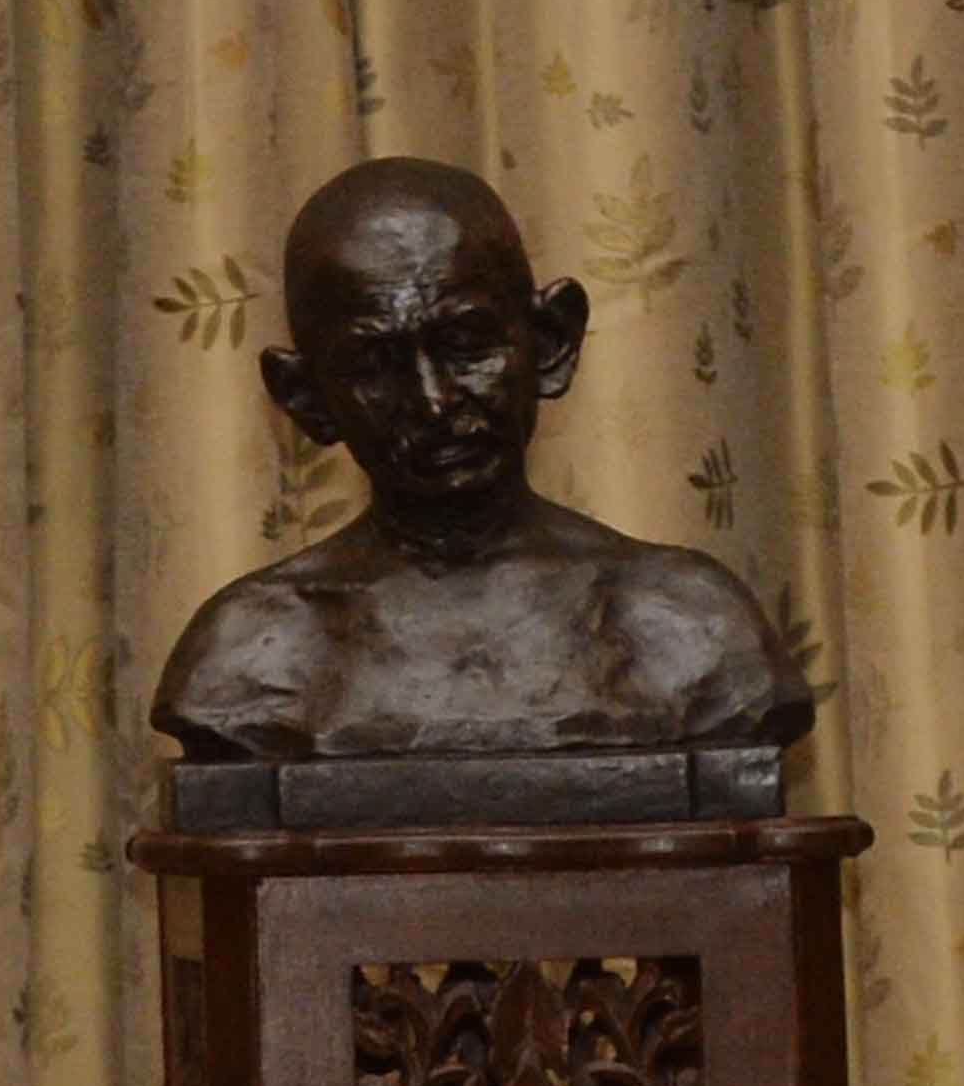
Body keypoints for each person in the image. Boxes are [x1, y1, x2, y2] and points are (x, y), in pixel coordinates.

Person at [146, 158, 810, 776]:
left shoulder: (691, 630)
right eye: (375, 366)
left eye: (465, 344)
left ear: (550, 342)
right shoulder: (250, 653)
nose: (433, 403)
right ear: (306, 397)